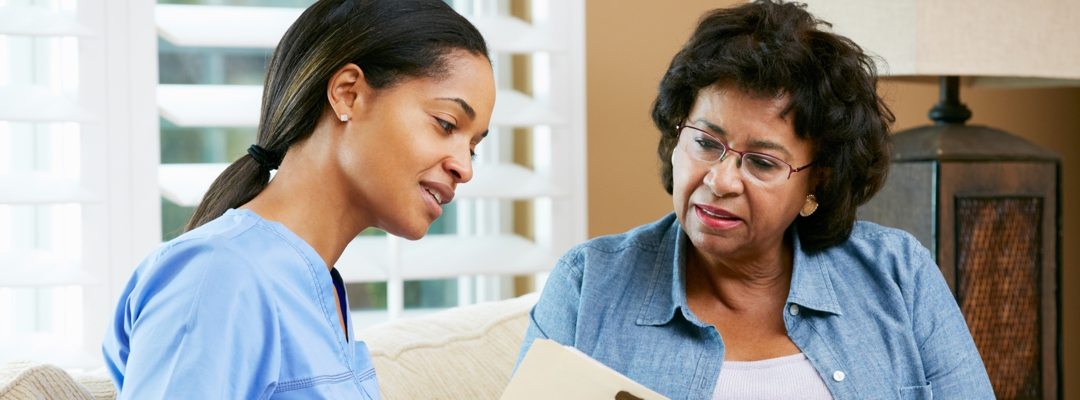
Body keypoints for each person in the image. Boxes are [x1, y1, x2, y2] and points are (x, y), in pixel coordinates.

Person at [516, 1, 993, 399]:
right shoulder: (589, 285)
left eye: (763, 163)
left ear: (817, 183)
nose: (720, 181)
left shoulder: (898, 275)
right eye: (705, 143)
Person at [102, 0, 495, 398]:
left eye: (474, 147)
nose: (465, 167)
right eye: (446, 124)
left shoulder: (318, 294)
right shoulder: (219, 275)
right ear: (348, 94)